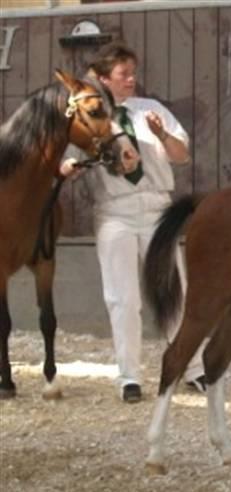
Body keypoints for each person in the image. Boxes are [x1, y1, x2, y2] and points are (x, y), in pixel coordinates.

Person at [61, 42, 205, 403]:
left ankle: (194, 368)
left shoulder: (150, 110)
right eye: (124, 74)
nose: (131, 80)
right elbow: (68, 165)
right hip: (115, 212)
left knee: (173, 289)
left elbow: (182, 155)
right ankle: (129, 378)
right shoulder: (90, 115)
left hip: (157, 208)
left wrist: (162, 135)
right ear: (106, 79)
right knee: (122, 298)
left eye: (133, 73)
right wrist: (68, 168)